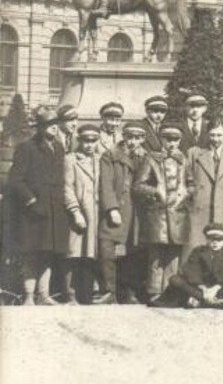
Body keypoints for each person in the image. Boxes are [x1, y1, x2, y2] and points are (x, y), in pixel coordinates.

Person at [7, 106, 69, 305]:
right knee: (31, 253)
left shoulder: (59, 148)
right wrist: (32, 201)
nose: (53, 128)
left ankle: (44, 295)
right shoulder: (27, 148)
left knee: (48, 252)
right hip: (33, 212)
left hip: (54, 210)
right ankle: (29, 296)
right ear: (40, 127)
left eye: (55, 125)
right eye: (48, 125)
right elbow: (15, 180)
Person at [133, 123, 191, 303]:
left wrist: (187, 191)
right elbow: (138, 186)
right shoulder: (151, 158)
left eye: (176, 140)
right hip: (158, 215)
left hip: (178, 214)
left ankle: (170, 291)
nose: (172, 144)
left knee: (174, 255)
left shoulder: (183, 159)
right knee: (156, 255)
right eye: (168, 139)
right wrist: (155, 191)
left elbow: (192, 183)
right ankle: (154, 292)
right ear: (162, 140)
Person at [98, 121, 148, 304]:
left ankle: (128, 292)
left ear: (142, 139)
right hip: (117, 208)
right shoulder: (110, 155)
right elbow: (105, 184)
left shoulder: (145, 157)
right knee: (107, 249)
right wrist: (111, 208)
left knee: (132, 252)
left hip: (136, 212)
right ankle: (108, 291)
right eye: (129, 137)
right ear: (123, 137)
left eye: (137, 138)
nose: (133, 141)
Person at [64, 124, 107, 304]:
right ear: (79, 140)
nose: (89, 145)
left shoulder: (101, 160)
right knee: (75, 253)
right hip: (80, 213)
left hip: (97, 214)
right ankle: (70, 293)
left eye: (93, 141)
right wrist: (75, 211)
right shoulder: (70, 159)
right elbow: (67, 188)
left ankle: (89, 292)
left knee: (93, 254)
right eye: (85, 141)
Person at [184, 121, 223, 252]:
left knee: (220, 249)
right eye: (212, 135)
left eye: (219, 135)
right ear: (206, 134)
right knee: (196, 249)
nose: (215, 139)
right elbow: (188, 180)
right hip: (199, 210)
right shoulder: (194, 153)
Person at [169, 223, 223, 309]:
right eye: (211, 239)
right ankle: (214, 301)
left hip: (219, 290)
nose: (215, 243)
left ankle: (201, 301)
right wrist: (203, 288)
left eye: (219, 240)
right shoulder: (198, 252)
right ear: (206, 239)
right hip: (199, 287)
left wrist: (215, 288)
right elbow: (192, 270)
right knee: (175, 279)